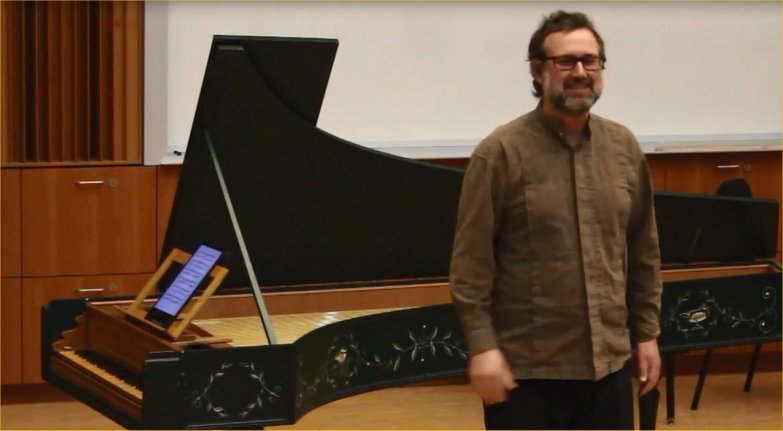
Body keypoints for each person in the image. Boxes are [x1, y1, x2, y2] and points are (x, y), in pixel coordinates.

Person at [449, 10, 662, 430]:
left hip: (610, 367)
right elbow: (470, 266)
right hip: (528, 374)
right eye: (565, 62)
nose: (580, 72)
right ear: (537, 72)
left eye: (591, 60)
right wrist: (481, 347)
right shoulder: (499, 154)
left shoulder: (623, 148)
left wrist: (647, 333)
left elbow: (643, 251)